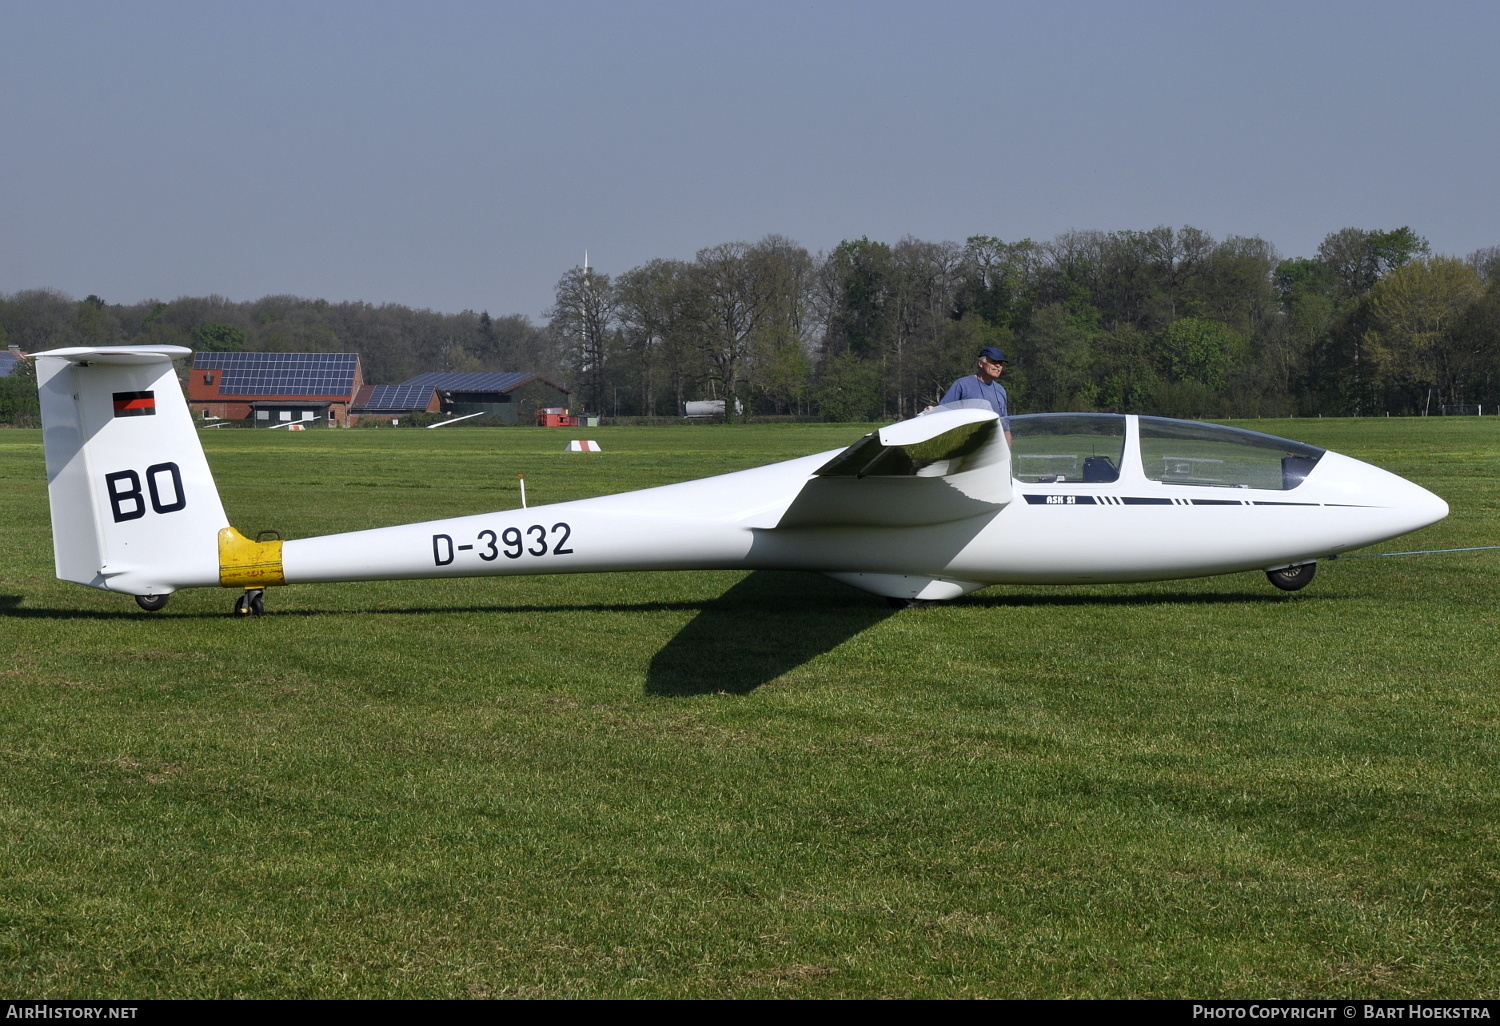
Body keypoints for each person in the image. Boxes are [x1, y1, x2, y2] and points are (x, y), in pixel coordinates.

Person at [940, 346, 1012, 442]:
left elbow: (1005, 429)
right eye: (994, 362)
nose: (998, 366)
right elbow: (941, 413)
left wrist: (1008, 455)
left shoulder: (1001, 390)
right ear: (981, 364)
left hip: (992, 445)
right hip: (966, 445)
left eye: (1000, 363)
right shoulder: (962, 385)